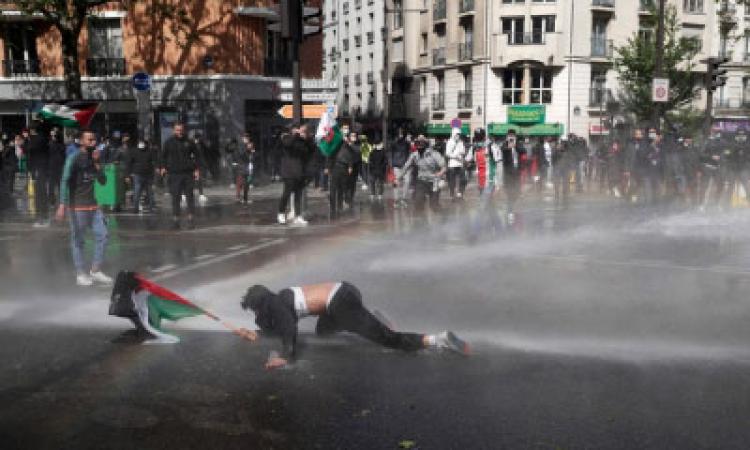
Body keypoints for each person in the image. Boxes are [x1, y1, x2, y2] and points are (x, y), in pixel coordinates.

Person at [238, 282, 470, 370]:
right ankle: (373, 322)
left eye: (255, 310)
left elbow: (288, 329)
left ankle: (437, 339)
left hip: (340, 302)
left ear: (261, 304)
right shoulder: (281, 298)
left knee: (388, 339)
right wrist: (256, 333)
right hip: (342, 294)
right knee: (324, 332)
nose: (257, 314)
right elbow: (281, 325)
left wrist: (286, 357)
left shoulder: (277, 305)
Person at [55, 129, 113, 287]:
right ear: (81, 141)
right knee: (78, 241)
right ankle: (80, 273)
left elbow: (103, 181)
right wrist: (62, 204)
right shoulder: (73, 158)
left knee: (103, 235)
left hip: (93, 206)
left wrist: (96, 163)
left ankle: (95, 270)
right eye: (89, 139)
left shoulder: (93, 158)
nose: (93, 142)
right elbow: (64, 180)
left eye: (94, 139)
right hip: (77, 207)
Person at [160, 122, 202, 230]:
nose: (180, 132)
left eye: (181, 130)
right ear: (174, 130)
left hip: (188, 173)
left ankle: (191, 220)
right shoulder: (168, 142)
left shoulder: (189, 142)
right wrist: (163, 167)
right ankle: (176, 221)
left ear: (184, 130)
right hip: (174, 174)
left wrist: (197, 169)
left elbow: (197, 156)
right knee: (176, 198)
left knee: (190, 197)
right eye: (177, 130)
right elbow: (162, 157)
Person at [399, 136, 446, 213]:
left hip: (434, 181)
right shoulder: (414, 155)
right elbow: (406, 167)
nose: (419, 146)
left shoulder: (434, 154)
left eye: (421, 144)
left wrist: (440, 173)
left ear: (426, 145)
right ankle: (420, 221)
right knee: (418, 201)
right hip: (422, 181)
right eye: (417, 143)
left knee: (434, 206)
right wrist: (398, 178)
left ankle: (444, 217)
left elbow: (444, 167)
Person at [278, 123, 309, 225]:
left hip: (299, 171)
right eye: (297, 129)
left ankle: (298, 216)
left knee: (298, 195)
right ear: (292, 130)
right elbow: (288, 144)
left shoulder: (300, 140)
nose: (299, 131)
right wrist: (296, 135)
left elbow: (306, 152)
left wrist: (305, 139)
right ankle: (281, 213)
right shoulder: (285, 137)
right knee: (286, 193)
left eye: (300, 129)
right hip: (288, 171)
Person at [327, 126, 355, 220]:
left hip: (344, 167)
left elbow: (351, 154)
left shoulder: (348, 142)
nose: (345, 131)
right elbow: (329, 153)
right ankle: (332, 207)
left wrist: (350, 165)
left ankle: (339, 206)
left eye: (346, 129)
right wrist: (327, 167)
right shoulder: (335, 140)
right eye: (343, 129)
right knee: (333, 188)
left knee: (341, 188)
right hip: (335, 166)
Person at [26, 122, 51, 227]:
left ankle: (41, 219)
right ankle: (44, 218)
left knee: (39, 195)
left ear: (33, 130)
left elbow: (30, 153)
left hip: (37, 169)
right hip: (43, 169)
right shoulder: (44, 139)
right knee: (42, 193)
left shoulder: (36, 141)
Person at [125, 138, 157, 213]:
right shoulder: (134, 151)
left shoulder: (149, 151)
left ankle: (150, 207)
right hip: (138, 174)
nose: (141, 144)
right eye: (140, 143)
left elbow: (154, 160)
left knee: (148, 192)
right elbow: (129, 163)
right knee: (138, 191)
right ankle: (136, 207)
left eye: (142, 143)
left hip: (147, 174)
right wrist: (127, 175)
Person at [388, 129, 411, 207]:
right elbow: (390, 154)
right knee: (396, 183)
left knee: (407, 182)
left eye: (402, 134)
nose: (400, 135)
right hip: (397, 166)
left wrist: (409, 163)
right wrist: (391, 164)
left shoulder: (407, 143)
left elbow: (409, 153)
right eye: (399, 134)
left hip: (405, 166)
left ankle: (403, 199)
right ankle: (396, 200)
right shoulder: (393, 143)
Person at [233, 137, 257, 205]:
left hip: (248, 170)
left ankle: (244, 199)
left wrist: (252, 153)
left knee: (247, 184)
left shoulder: (250, 151)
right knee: (240, 183)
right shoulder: (242, 149)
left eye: (251, 145)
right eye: (249, 144)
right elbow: (242, 156)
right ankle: (239, 198)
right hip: (242, 169)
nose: (250, 145)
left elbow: (252, 159)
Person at [445, 127, 467, 200]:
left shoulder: (460, 142)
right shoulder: (450, 142)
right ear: (453, 134)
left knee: (463, 179)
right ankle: (452, 195)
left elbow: (463, 151)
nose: (458, 136)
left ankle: (460, 193)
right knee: (452, 181)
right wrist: (455, 156)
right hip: (452, 164)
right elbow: (447, 153)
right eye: (457, 134)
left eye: (459, 134)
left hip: (460, 163)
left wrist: (462, 153)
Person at [48, 128, 66, 207]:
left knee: (56, 185)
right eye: (52, 135)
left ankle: (55, 201)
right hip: (54, 167)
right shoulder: (52, 144)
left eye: (54, 135)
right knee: (55, 185)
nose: (53, 136)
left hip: (56, 167)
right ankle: (56, 201)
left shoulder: (54, 144)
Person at [368, 138, 387, 202]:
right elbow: (370, 161)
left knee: (380, 183)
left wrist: (382, 167)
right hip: (373, 170)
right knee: (372, 182)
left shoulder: (383, 151)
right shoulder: (372, 151)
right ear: (377, 145)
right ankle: (372, 194)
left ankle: (380, 195)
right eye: (381, 144)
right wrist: (373, 166)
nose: (382, 145)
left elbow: (385, 161)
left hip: (380, 170)